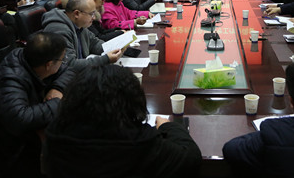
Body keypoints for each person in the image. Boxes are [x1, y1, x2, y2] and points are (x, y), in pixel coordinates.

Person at [44, 64, 202, 178]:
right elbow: (190, 157)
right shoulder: (139, 142)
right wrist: (168, 126)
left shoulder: (56, 137)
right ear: (131, 102)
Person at [0, 32, 73, 178]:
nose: (64, 61)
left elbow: (69, 70)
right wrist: (58, 102)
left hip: (16, 133)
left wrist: (57, 88)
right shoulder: (11, 78)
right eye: (62, 59)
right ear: (48, 65)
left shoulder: (29, 58)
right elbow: (19, 119)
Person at [42, 0, 123, 71]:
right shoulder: (58, 30)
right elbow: (70, 65)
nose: (94, 18)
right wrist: (106, 59)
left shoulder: (79, 25)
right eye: (91, 14)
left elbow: (95, 43)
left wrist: (115, 48)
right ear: (77, 14)